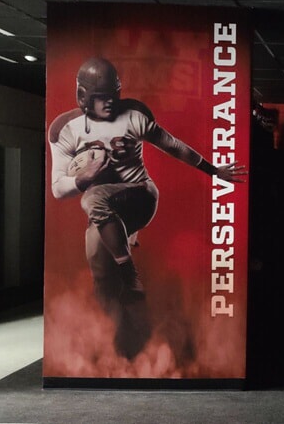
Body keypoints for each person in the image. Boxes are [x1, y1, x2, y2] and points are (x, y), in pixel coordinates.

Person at [48, 57, 247, 359]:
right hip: (104, 213)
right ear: (83, 96)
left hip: (140, 196)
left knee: (91, 199)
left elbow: (173, 145)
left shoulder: (134, 115)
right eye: (102, 97)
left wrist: (213, 170)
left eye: (114, 95)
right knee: (99, 271)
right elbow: (57, 187)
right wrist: (83, 178)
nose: (110, 103)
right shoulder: (65, 129)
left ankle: (129, 273)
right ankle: (124, 343)